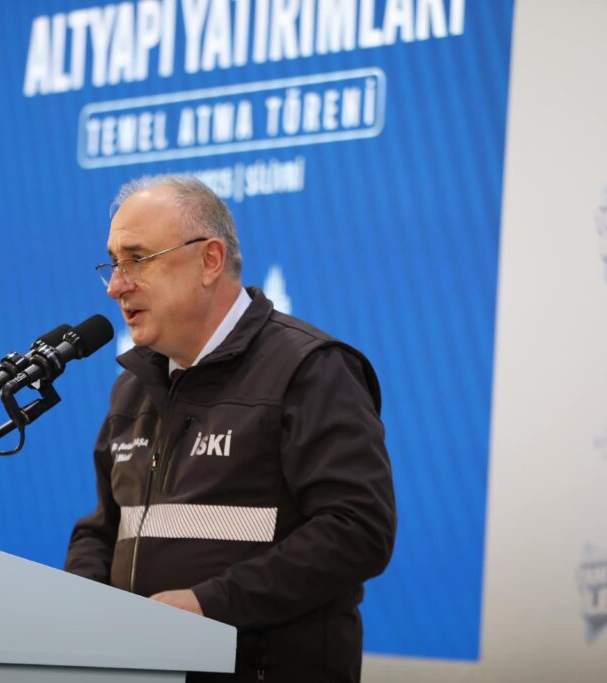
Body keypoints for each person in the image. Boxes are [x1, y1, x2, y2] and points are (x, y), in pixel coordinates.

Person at [64, 175, 396, 682]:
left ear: (210, 260)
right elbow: (105, 528)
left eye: (138, 259)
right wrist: (80, 602)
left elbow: (358, 529)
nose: (116, 285)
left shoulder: (309, 369)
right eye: (113, 263)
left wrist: (210, 604)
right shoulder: (132, 389)